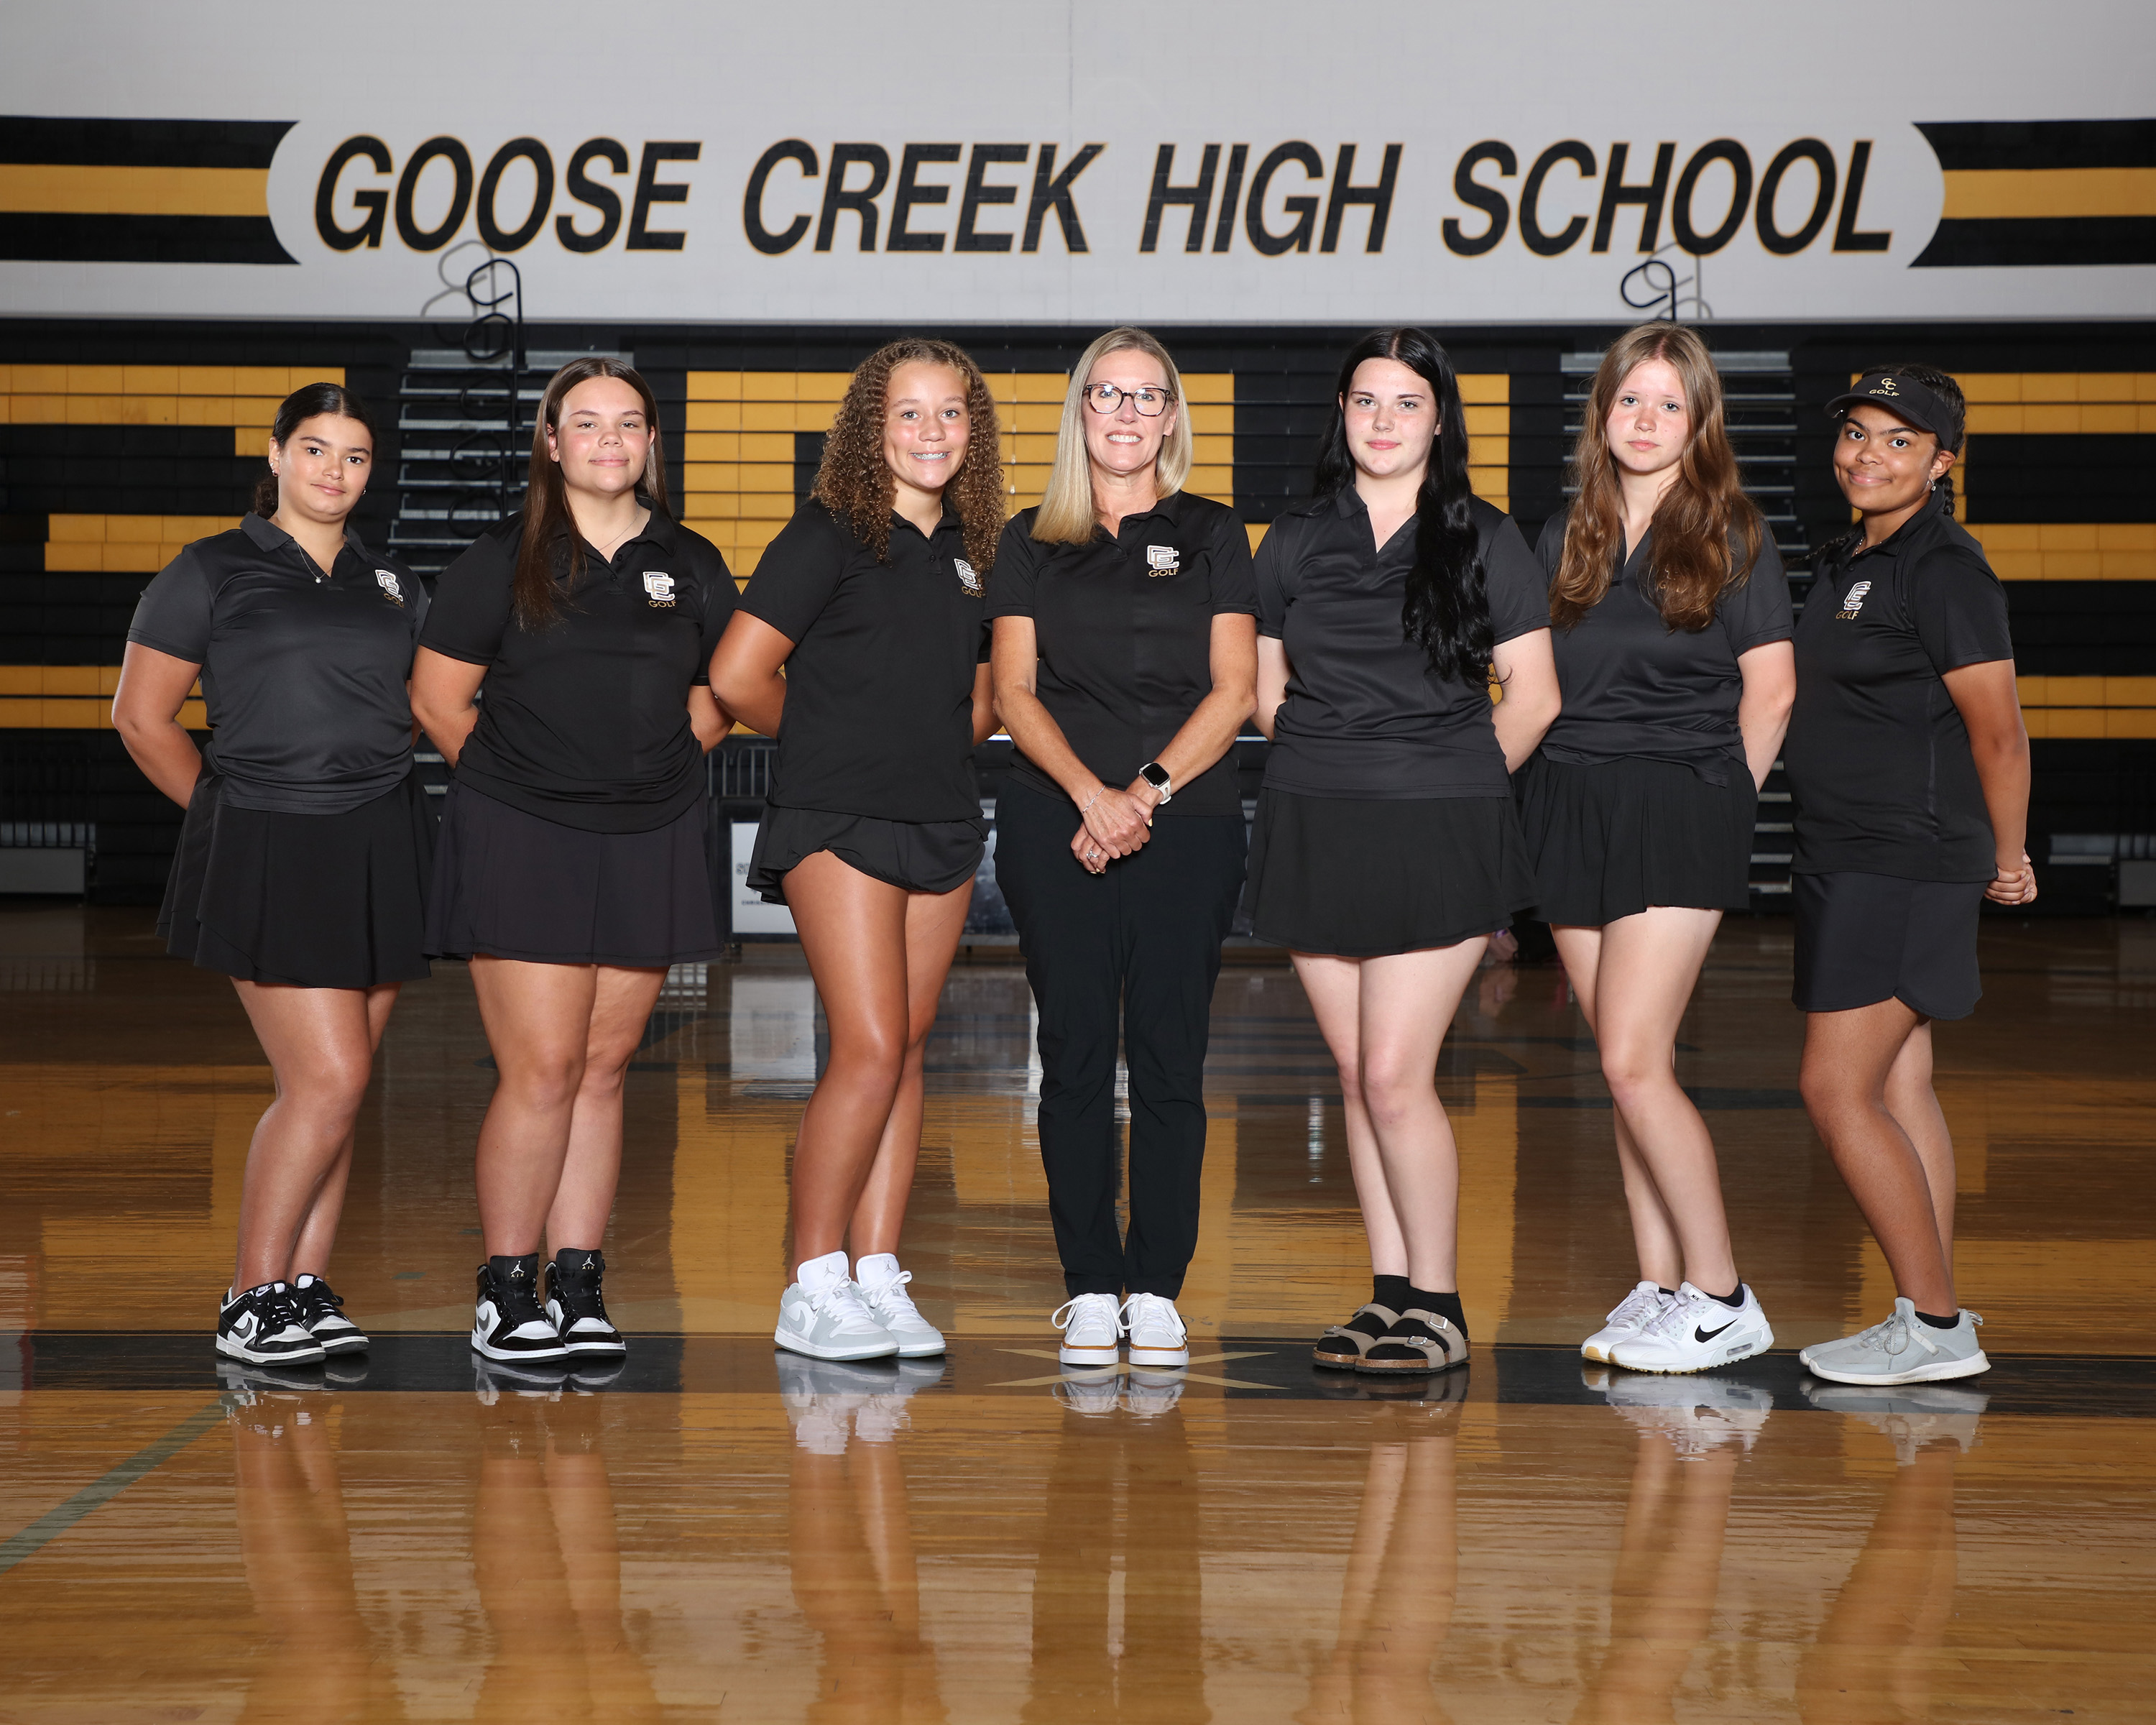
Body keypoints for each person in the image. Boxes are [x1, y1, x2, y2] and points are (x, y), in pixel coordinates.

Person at [1248, 328, 1560, 1376]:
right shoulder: (1294, 539)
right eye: (1366, 401)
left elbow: (1536, 696)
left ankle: (1440, 1302)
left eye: (1407, 403)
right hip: (1315, 820)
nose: (1383, 421)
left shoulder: (1484, 536)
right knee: (1351, 1072)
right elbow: (1265, 691)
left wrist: (1455, 781)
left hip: (1438, 827)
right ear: (1341, 413)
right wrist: (1337, 762)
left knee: (1394, 1074)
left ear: (1440, 420)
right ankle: (1389, 1297)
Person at [412, 359, 735, 1366]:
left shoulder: (689, 559)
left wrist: (652, 766)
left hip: (650, 832)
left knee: (602, 1070)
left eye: (627, 424)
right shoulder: (501, 560)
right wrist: (527, 785)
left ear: (649, 444)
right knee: (543, 1068)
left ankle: (578, 1280)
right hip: (524, 837)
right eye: (585, 423)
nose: (609, 440)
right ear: (552, 443)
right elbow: (435, 700)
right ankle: (507, 1290)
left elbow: (728, 686)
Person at [114, 382, 430, 1366]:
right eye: (317, 450)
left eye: (356, 457)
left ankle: (301, 1286)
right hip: (268, 838)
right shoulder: (209, 569)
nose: (335, 472)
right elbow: (140, 717)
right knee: (324, 1080)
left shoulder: (395, 585)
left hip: (383, 840)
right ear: (277, 454)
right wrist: (227, 809)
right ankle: (252, 1296)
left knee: (345, 1083)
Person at [709, 338, 1003, 1363]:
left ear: (976, 430)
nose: (932, 432)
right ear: (871, 431)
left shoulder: (978, 547)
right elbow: (740, 676)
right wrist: (838, 736)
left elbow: (978, 699)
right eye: (909, 414)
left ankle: (876, 1272)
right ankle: (811, 1281)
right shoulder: (827, 533)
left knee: (908, 1051)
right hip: (837, 816)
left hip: (940, 814)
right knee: (870, 1045)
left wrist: (923, 737)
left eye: (952, 413)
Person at [1518, 323, 1795, 1374]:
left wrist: (1725, 802)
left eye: (1668, 405)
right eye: (1629, 401)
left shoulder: (1733, 531)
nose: (1644, 421)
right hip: (1570, 802)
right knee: (1626, 1063)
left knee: (1637, 1063)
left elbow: (1771, 691)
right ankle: (1662, 1283)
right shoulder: (1564, 535)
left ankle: (1724, 1296)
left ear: (1699, 422)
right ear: (1603, 415)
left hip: (1680, 803)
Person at [988, 328, 1258, 1371]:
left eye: (1150, 397)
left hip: (1183, 825)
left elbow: (1233, 689)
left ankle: (1157, 1286)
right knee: (1072, 1057)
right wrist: (1092, 799)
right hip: (1057, 823)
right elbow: (1014, 689)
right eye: (1109, 394)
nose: (1129, 413)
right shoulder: (1027, 538)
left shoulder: (1213, 533)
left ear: (1171, 417)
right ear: (1080, 411)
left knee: (1169, 1058)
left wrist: (1142, 794)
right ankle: (1091, 1286)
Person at [1787, 364, 2033, 1387]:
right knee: (1900, 1081)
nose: (1868, 456)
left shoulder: (1944, 568)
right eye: (1857, 434)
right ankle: (1935, 1310)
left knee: (1833, 1088)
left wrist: (2009, 858)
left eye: (1898, 441)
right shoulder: (1860, 556)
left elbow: (2001, 732)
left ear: (1943, 461)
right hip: (1853, 851)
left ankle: (1932, 1325)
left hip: (1902, 858)